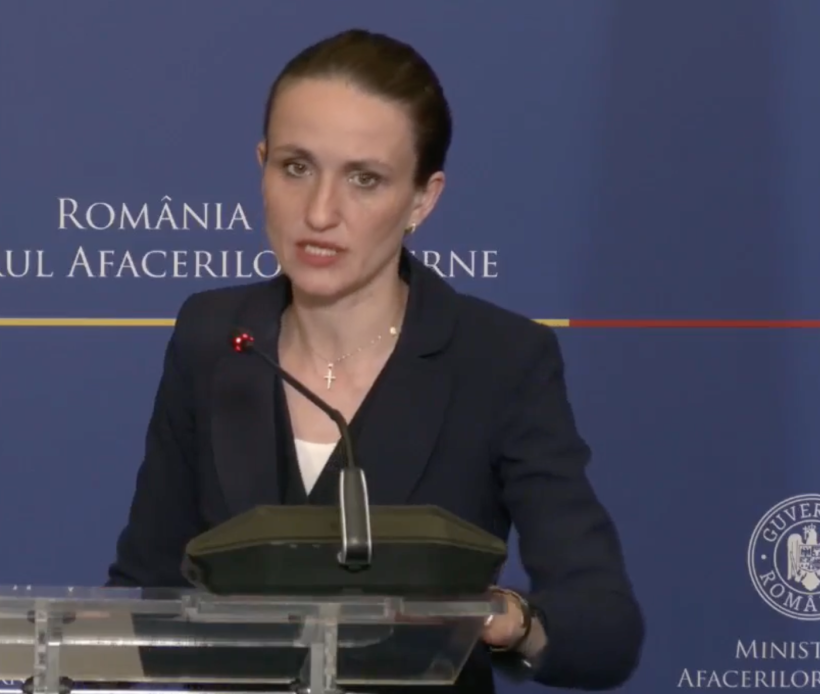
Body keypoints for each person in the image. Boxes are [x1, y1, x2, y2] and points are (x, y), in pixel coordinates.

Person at [106, 28, 644, 693]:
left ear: (423, 198)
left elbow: (604, 630)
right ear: (262, 164)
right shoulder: (212, 337)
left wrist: (511, 619)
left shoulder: (499, 359)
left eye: (364, 179)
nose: (320, 212)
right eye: (296, 167)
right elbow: (144, 590)